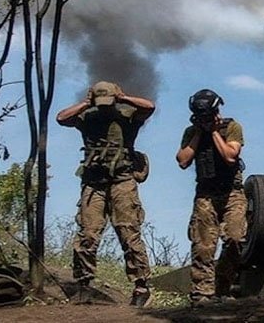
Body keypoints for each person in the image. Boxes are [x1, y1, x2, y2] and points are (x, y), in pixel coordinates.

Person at [56, 81, 155, 307]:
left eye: (107, 102)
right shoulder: (87, 116)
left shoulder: (127, 115)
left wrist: (124, 97)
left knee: (129, 233)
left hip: (122, 181)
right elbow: (61, 118)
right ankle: (84, 285)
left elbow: (149, 107)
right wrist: (85, 103)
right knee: (88, 235)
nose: (104, 107)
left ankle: (141, 287)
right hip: (94, 183)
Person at [176, 89, 246, 307]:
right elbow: (183, 160)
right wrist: (199, 133)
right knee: (203, 245)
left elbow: (229, 155)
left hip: (232, 193)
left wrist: (214, 132)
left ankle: (223, 286)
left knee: (235, 238)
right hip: (206, 194)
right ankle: (202, 293)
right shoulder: (191, 132)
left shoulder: (231, 127)